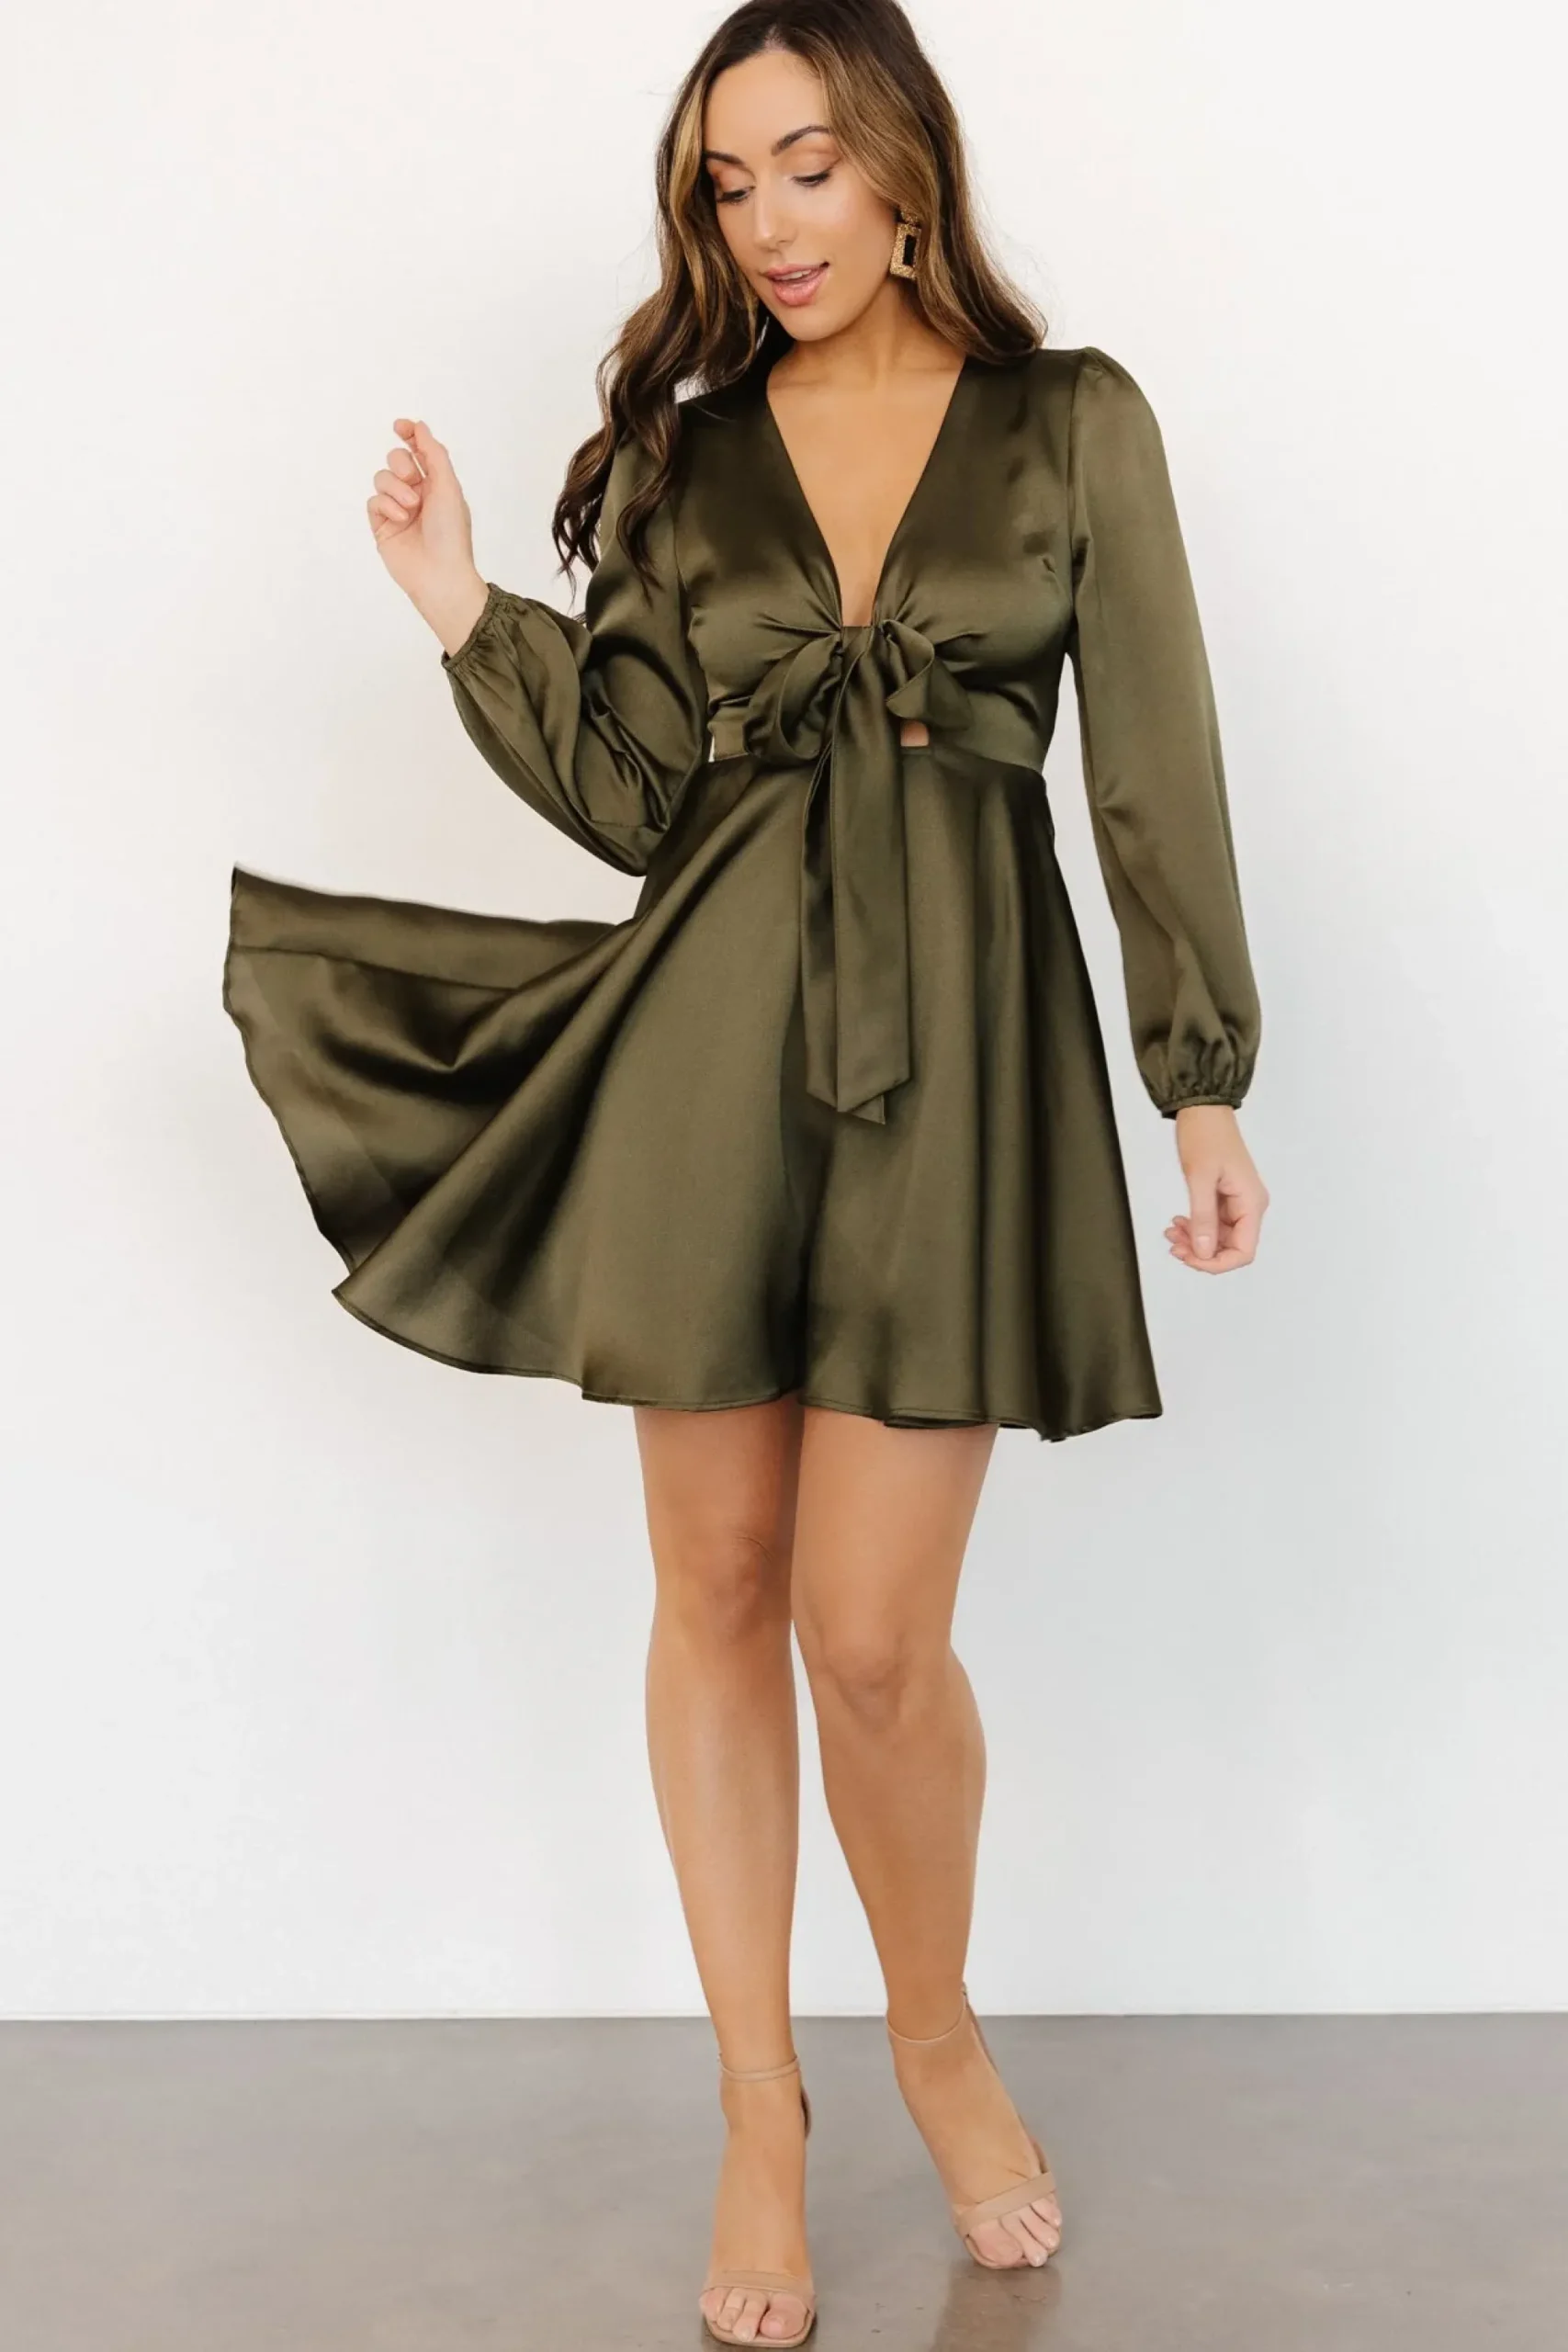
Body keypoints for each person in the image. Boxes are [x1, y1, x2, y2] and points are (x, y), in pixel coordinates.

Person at [223, 1, 1269, 2341]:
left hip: (964, 1058)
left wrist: (1196, 1070)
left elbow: (1150, 754)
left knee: (872, 1634)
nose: (771, 222)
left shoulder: (1071, 422)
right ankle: (758, 2107)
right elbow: (632, 796)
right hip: (712, 1042)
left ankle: (935, 2032)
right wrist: (458, 601)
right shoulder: (683, 459)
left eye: (807, 165)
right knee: (714, 1581)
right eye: (727, 182)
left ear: (905, 166)